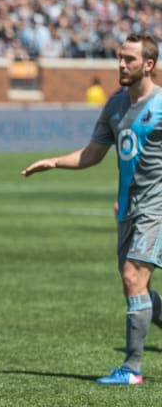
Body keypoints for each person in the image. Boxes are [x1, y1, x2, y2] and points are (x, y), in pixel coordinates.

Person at [21, 34, 162, 385]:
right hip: (129, 207)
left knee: (133, 277)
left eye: (129, 59)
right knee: (134, 286)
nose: (121, 64)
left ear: (149, 64)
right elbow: (93, 154)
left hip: (157, 207)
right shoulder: (115, 106)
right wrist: (54, 162)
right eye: (119, 57)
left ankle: (131, 369)